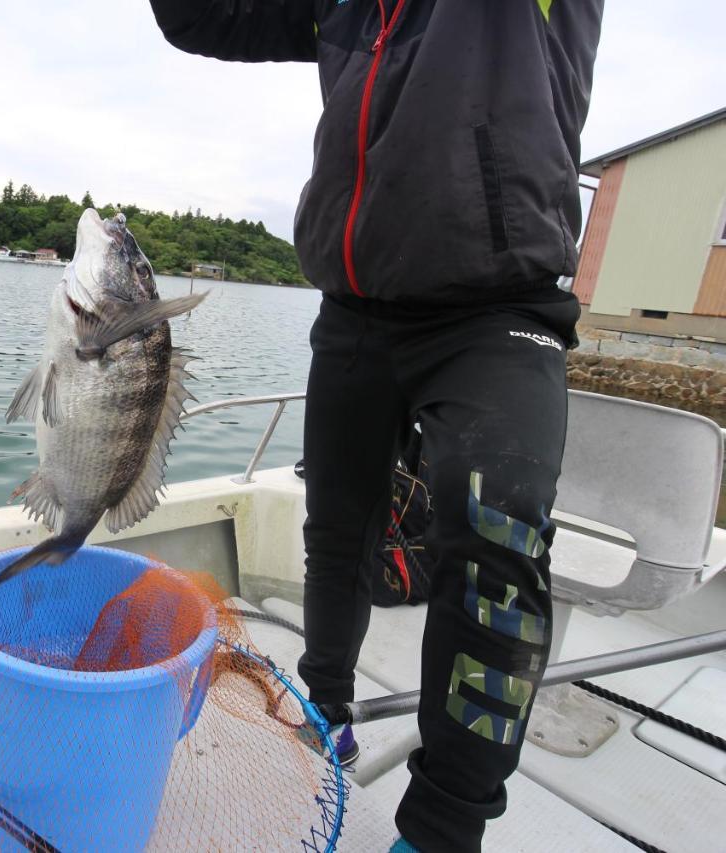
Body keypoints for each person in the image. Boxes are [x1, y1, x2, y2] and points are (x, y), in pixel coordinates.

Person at [148, 2, 604, 851]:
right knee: (338, 524)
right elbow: (198, 19)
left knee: (496, 525)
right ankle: (327, 705)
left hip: (497, 307)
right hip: (355, 307)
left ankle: (442, 825)